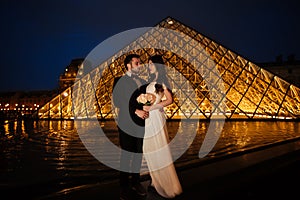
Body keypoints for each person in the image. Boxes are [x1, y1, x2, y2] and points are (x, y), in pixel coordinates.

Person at [142, 55, 183, 198]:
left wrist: (153, 107)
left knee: (157, 148)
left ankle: (161, 183)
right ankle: (155, 180)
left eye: (151, 64)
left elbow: (170, 100)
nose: (149, 66)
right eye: (148, 64)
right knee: (149, 149)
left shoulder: (161, 82)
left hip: (154, 117)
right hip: (148, 118)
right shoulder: (152, 81)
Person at [112, 54, 149, 199]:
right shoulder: (119, 80)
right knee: (126, 155)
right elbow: (118, 101)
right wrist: (135, 110)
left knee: (138, 154)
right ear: (128, 65)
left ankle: (135, 182)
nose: (140, 65)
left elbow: (147, 101)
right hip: (126, 122)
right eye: (137, 62)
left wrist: (150, 106)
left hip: (140, 123)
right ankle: (124, 186)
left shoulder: (143, 82)